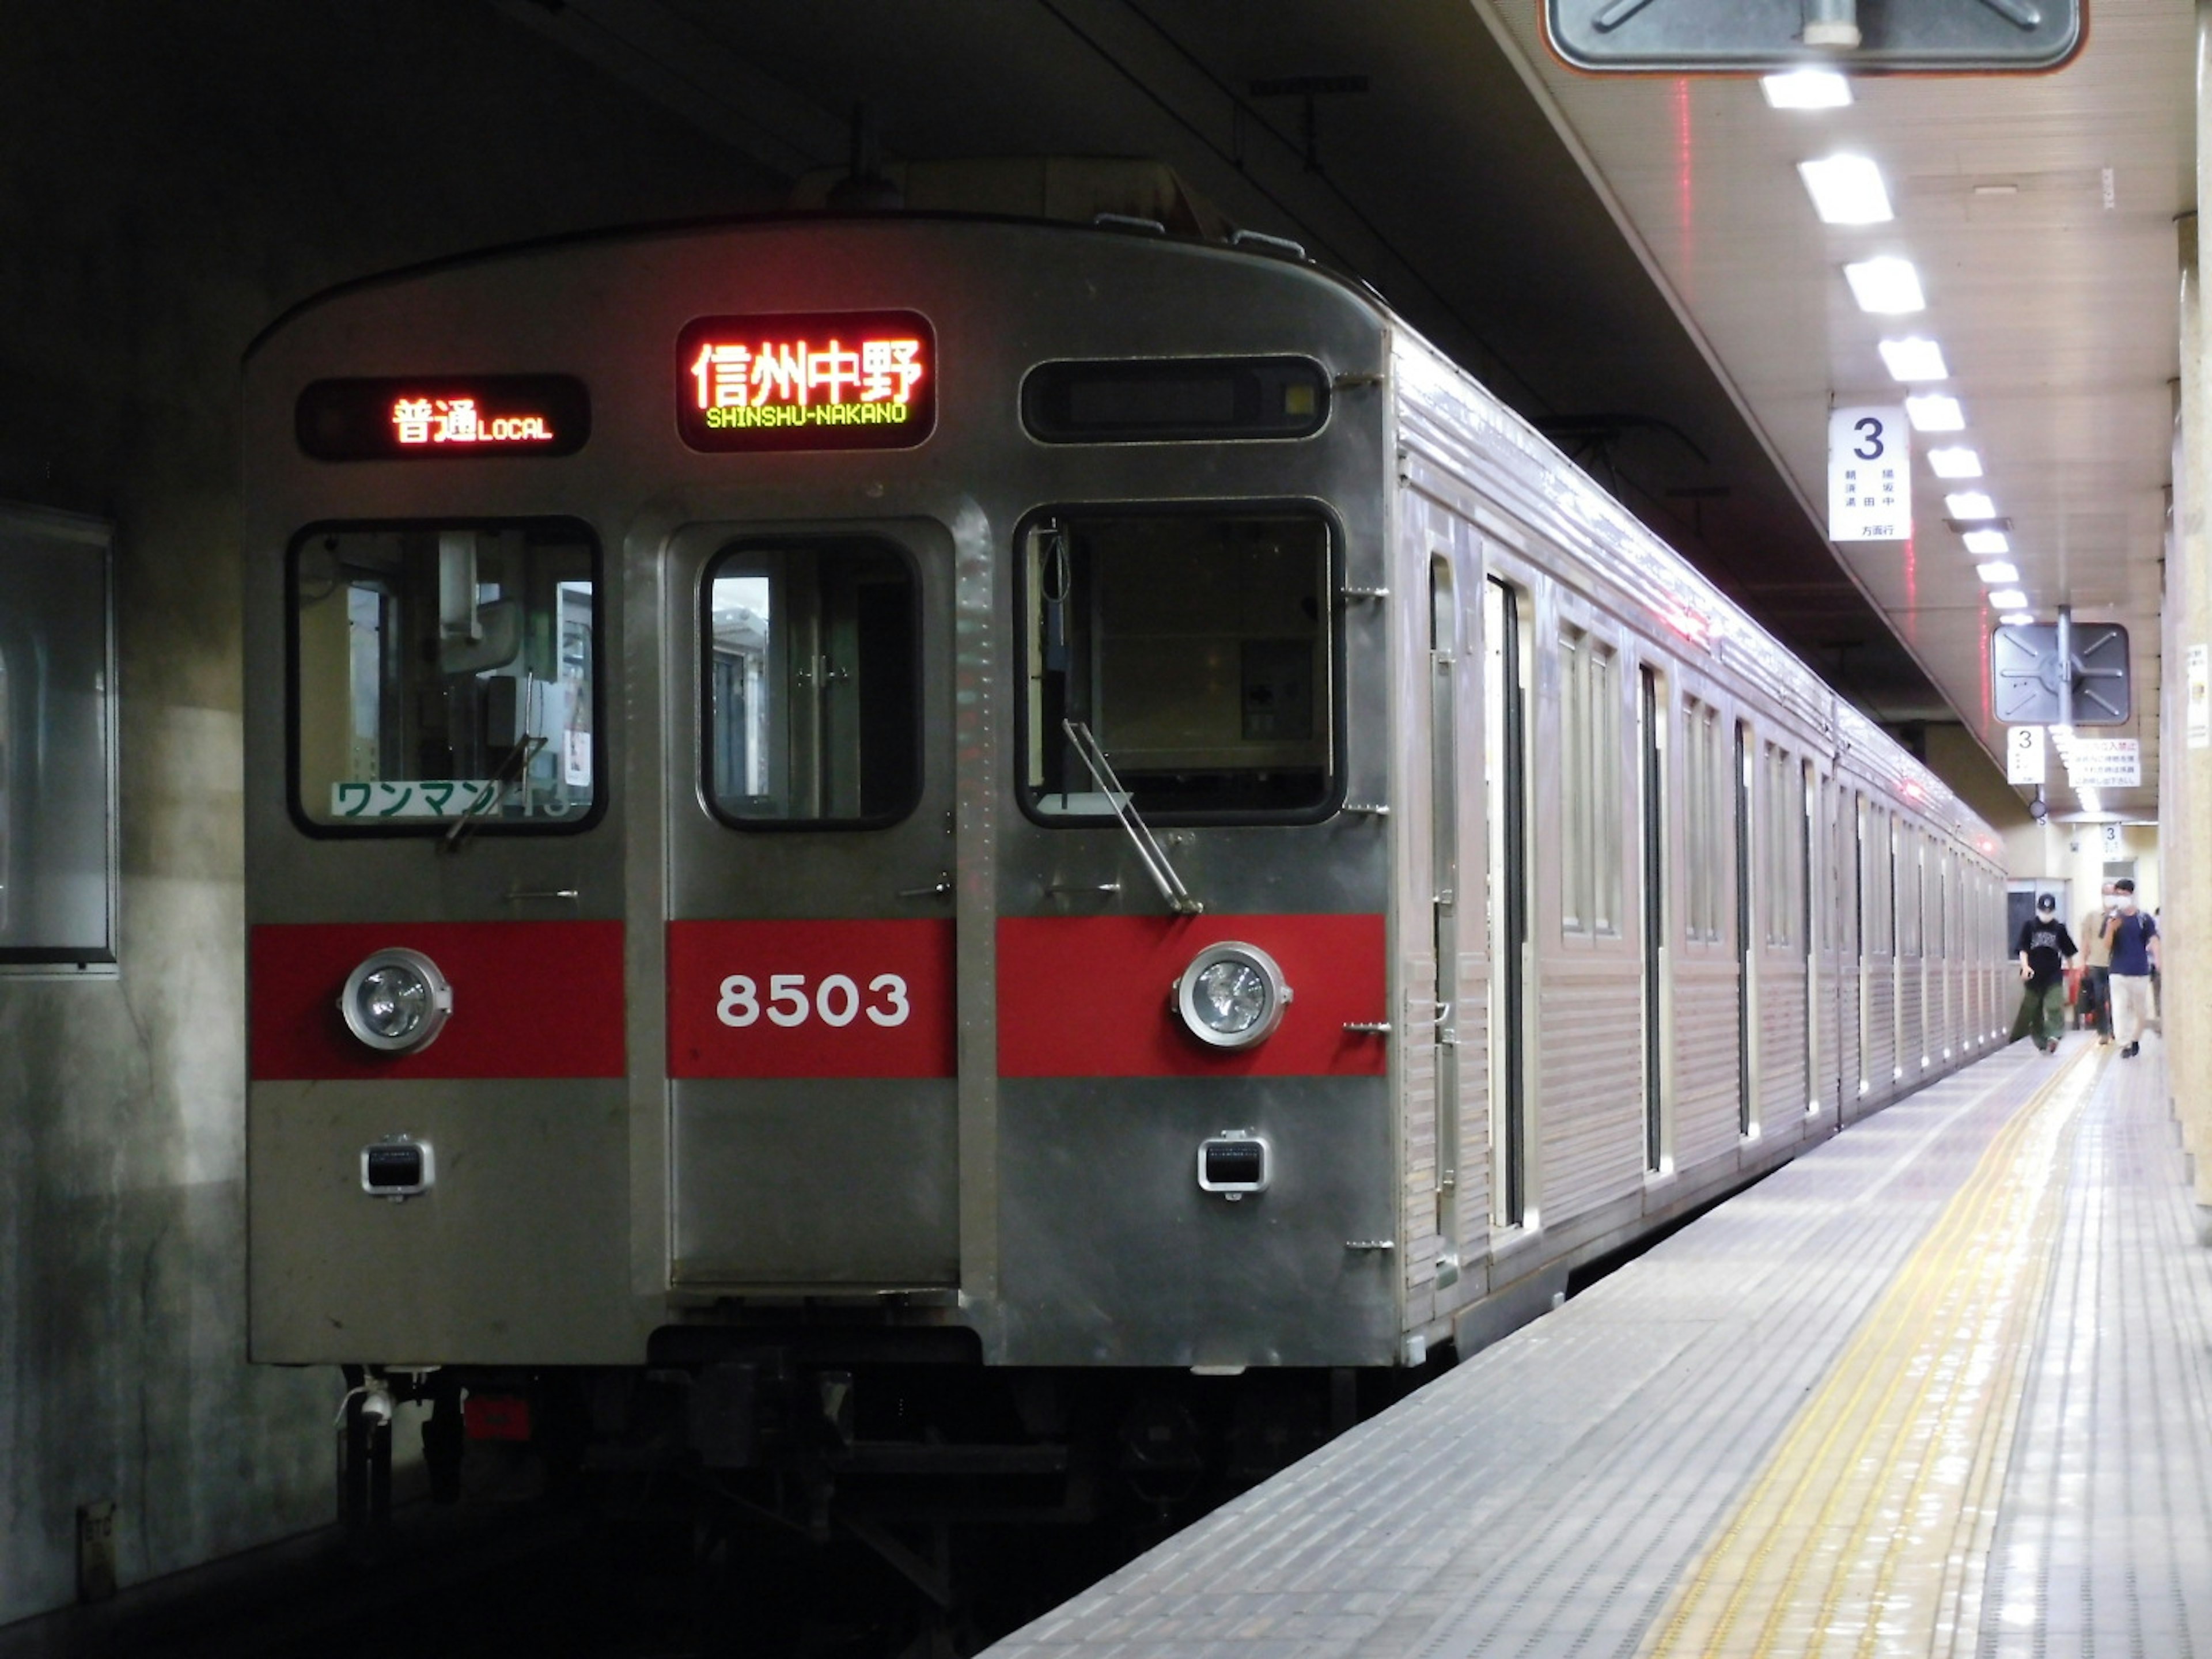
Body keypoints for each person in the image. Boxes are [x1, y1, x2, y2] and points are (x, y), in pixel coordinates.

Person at [2010, 893, 2077, 1054]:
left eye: (2049, 911)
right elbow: (2023, 949)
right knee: (2034, 1010)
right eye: (2044, 910)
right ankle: (2042, 1042)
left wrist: (2072, 972)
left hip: (2053, 974)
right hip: (2033, 975)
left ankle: (2054, 1035)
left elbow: (2068, 952)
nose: (2046, 914)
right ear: (2038, 909)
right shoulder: (2029, 926)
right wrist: (2025, 967)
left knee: (2054, 1004)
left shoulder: (2059, 928)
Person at [2102, 879, 2160, 1058]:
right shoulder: (2112, 918)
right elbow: (2106, 945)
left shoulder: (2144, 918)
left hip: (2140, 971)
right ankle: (2125, 1044)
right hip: (2118, 971)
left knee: (2141, 1011)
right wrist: (2111, 929)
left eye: (2124, 895)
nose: (2120, 898)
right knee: (2119, 1010)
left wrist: (2159, 960)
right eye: (2117, 895)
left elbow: (2154, 940)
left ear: (2131, 895)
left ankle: (2135, 1038)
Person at [2078, 883, 2116, 1042]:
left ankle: (2116, 1029)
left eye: (2112, 893)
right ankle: (2103, 1032)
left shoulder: (2119, 917)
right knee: (2099, 998)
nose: (2109, 896)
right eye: (2106, 893)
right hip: (2096, 963)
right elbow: (2086, 940)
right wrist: (2083, 962)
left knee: (2116, 1000)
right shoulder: (2092, 916)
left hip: (2115, 963)